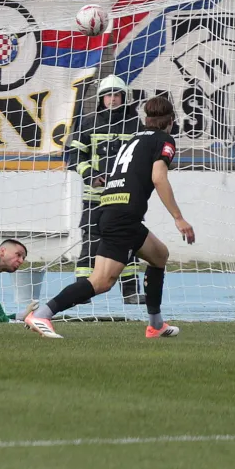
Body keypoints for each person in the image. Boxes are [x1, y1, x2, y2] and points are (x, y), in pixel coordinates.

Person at [24, 96, 195, 340]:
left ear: (147, 120)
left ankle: (155, 325)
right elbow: (159, 177)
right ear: (171, 121)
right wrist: (178, 218)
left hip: (110, 208)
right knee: (102, 281)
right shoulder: (164, 140)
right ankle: (43, 314)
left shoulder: (134, 139)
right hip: (123, 216)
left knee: (160, 256)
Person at [67, 75, 145, 305]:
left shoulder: (135, 125)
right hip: (95, 198)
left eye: (117, 95)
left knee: (127, 242)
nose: (113, 99)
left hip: (125, 198)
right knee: (91, 243)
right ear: (102, 98)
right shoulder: (88, 123)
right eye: (109, 95)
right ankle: (82, 292)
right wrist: (91, 175)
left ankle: (130, 293)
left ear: (124, 97)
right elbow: (74, 155)